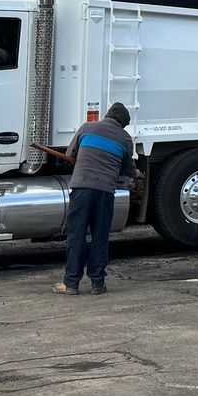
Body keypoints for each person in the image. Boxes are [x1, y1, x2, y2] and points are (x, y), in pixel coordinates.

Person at [57, 103, 134, 295]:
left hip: (82, 189)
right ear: (123, 123)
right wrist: (137, 173)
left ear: (107, 115)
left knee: (77, 235)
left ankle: (71, 284)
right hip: (105, 192)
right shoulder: (125, 138)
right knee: (100, 237)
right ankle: (98, 284)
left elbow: (70, 154)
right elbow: (128, 170)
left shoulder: (87, 128)